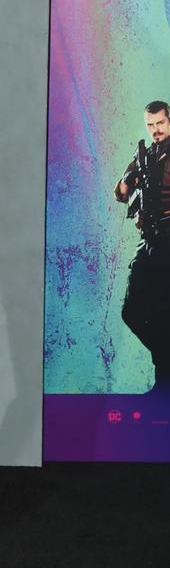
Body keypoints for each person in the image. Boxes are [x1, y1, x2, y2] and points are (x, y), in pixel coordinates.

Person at [115, 100, 170, 394]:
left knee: (163, 311)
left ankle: (163, 387)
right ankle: (166, 365)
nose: (155, 130)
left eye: (160, 123)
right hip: (148, 240)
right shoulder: (143, 154)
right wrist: (130, 177)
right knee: (132, 310)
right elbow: (121, 194)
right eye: (150, 125)